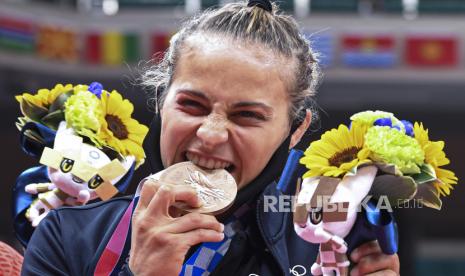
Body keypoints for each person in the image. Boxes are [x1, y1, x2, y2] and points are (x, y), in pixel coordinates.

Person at [21, 1, 399, 275]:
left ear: (295, 130)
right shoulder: (66, 236)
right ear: (160, 102)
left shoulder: (333, 243)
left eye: (247, 115)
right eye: (192, 105)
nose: (211, 134)